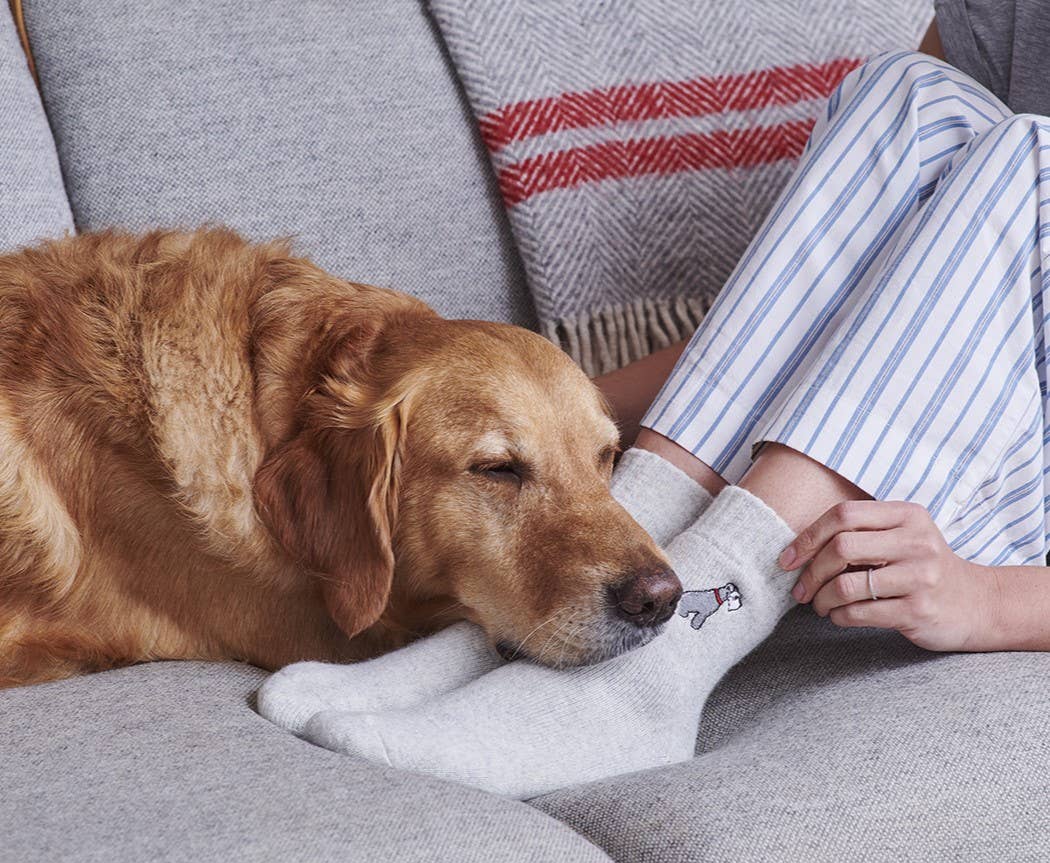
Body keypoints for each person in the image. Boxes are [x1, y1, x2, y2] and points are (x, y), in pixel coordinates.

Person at [259, 4, 1050, 797]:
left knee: (1032, 156)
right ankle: (567, 602)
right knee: (911, 100)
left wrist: (984, 601)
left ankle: (656, 677)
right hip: (933, 425)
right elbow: (898, 284)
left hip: (1011, 538)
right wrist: (554, 427)